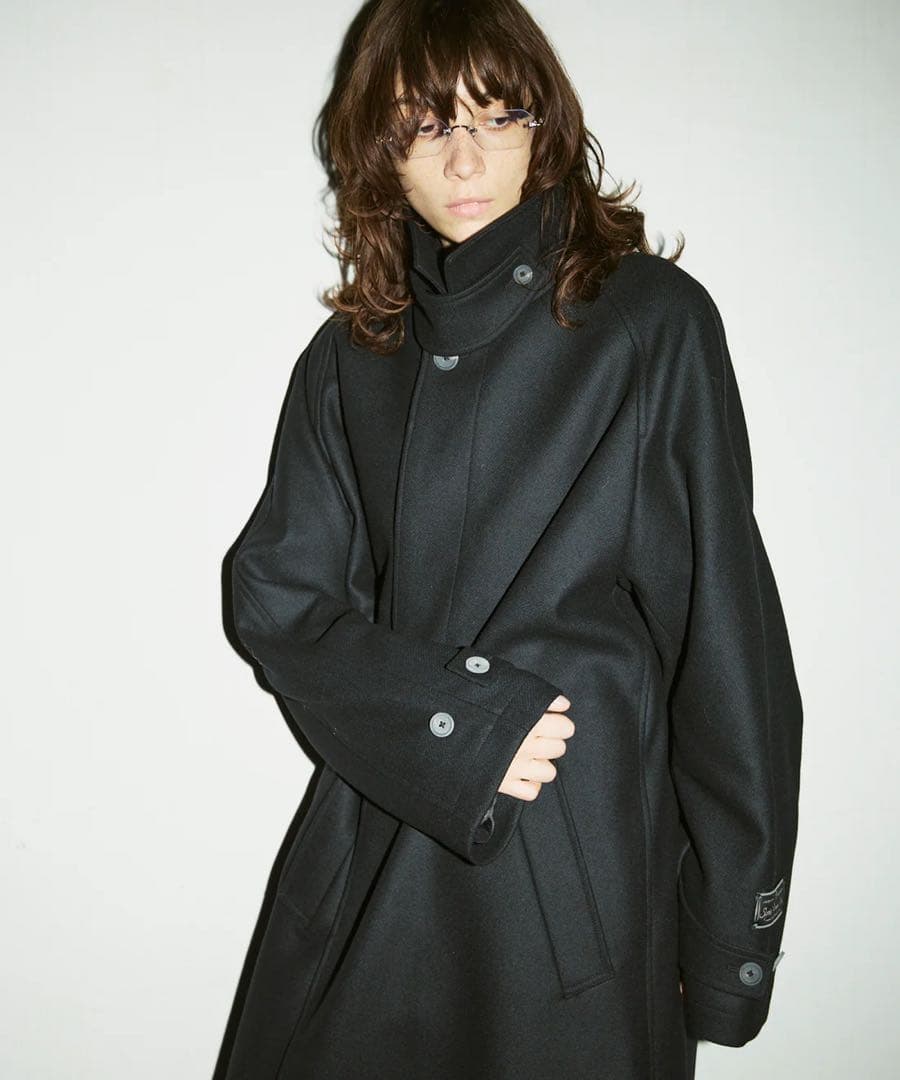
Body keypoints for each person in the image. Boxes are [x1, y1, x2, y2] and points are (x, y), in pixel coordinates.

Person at [219, 1, 803, 1077]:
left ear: (546, 126)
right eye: (426, 124)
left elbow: (727, 644)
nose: (466, 156)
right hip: (374, 857)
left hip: (570, 895)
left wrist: (731, 939)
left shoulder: (647, 323)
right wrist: (454, 723)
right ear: (379, 149)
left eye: (497, 115)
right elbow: (275, 599)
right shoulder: (350, 358)